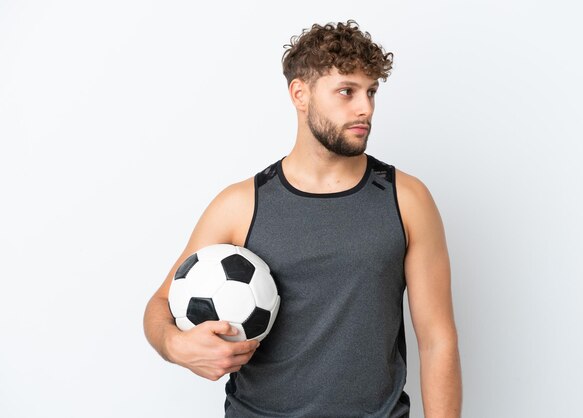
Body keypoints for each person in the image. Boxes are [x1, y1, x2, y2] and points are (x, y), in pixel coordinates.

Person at [143, 19, 462, 418]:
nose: (365, 107)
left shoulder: (407, 199)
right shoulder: (241, 204)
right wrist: (175, 346)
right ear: (300, 93)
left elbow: (437, 341)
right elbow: (159, 305)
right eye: (347, 91)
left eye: (371, 92)